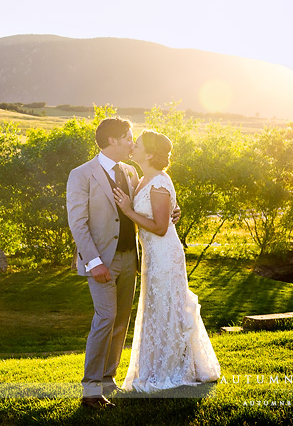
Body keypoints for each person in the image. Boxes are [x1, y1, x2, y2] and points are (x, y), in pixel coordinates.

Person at [66, 118, 180, 409]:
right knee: (105, 318)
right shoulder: (81, 175)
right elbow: (78, 224)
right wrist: (94, 262)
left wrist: (172, 212)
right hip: (101, 261)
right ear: (113, 141)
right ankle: (90, 391)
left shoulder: (131, 173)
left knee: (120, 321)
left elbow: (153, 205)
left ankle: (108, 380)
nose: (133, 143)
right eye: (129, 138)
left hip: (131, 259)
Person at [113, 130, 220, 393]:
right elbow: (163, 213)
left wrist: (127, 211)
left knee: (167, 308)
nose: (133, 146)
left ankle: (171, 369)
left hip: (164, 255)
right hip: (153, 256)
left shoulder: (158, 181)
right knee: (157, 309)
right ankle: (158, 366)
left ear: (149, 154)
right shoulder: (142, 179)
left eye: (137, 145)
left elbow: (160, 228)